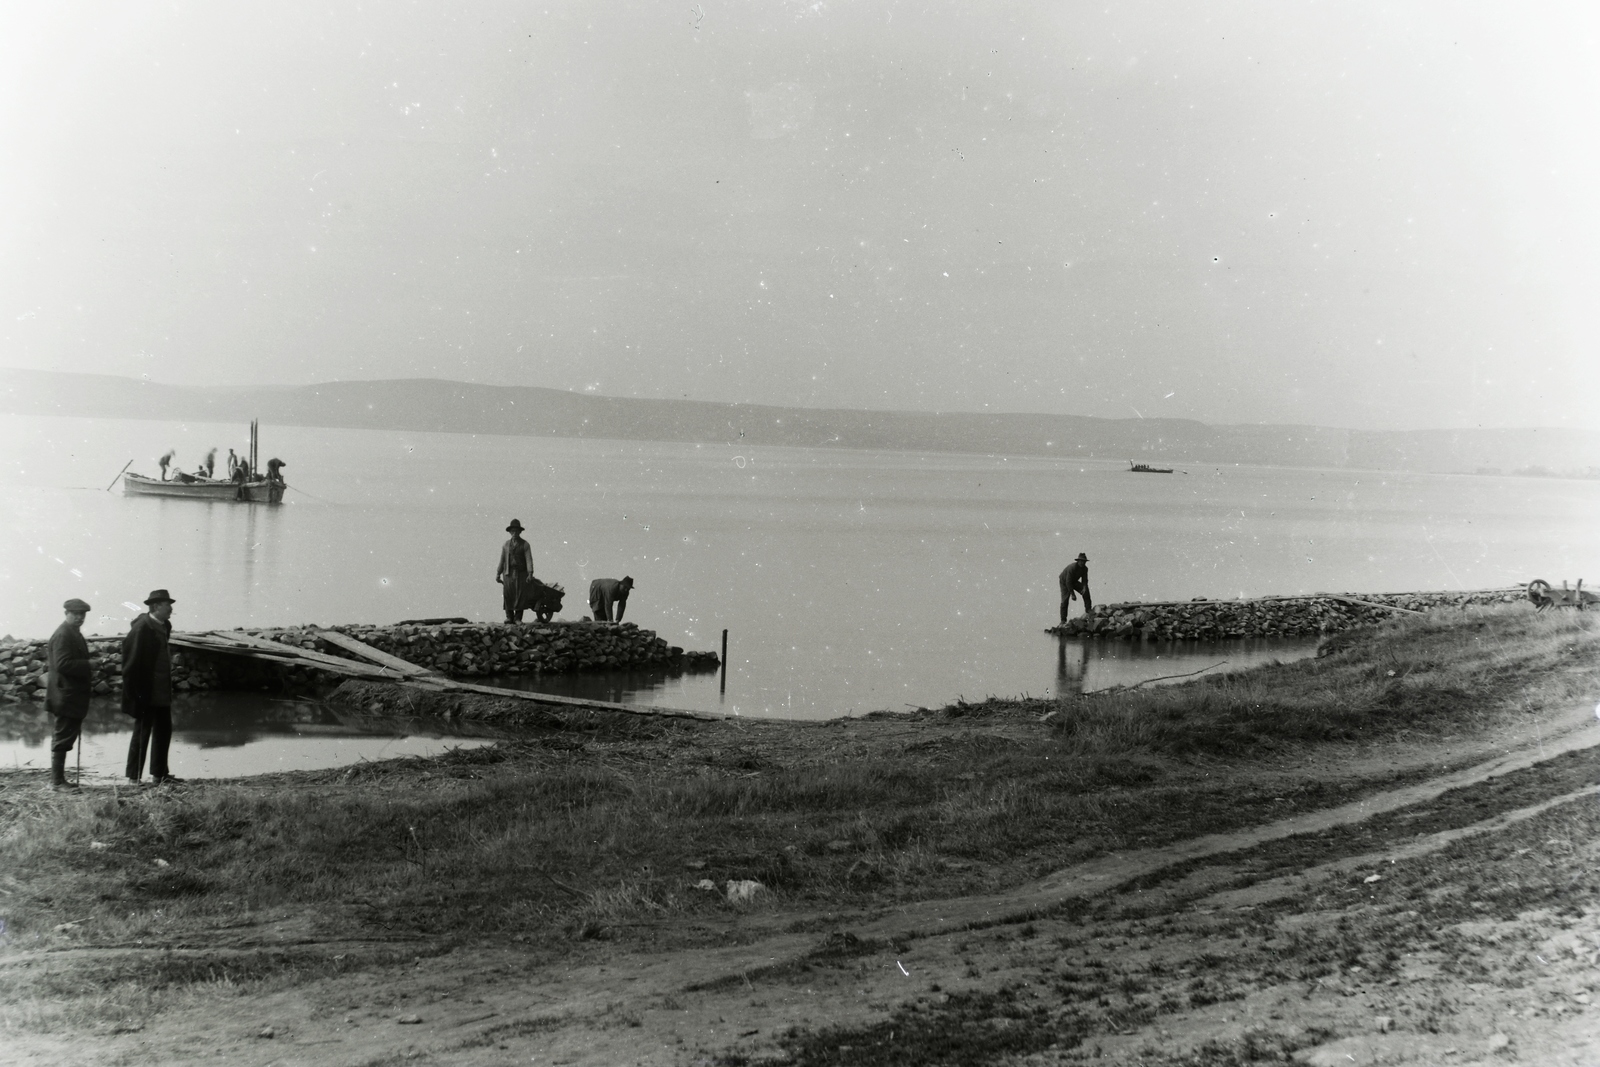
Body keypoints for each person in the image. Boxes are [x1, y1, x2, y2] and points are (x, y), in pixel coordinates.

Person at [123, 589, 181, 786]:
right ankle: (134, 778)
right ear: (156, 607)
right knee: (142, 732)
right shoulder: (141, 629)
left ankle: (160, 775)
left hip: (162, 692)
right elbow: (130, 665)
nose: (171, 609)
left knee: (164, 730)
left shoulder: (165, 625)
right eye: (167, 605)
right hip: (146, 693)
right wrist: (134, 695)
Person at [46, 598, 94, 792]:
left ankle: (59, 780)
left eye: (82, 614)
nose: (80, 618)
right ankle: (57, 782)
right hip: (65, 695)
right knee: (62, 737)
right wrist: (89, 665)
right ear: (66, 614)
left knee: (65, 736)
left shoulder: (72, 632)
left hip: (69, 695)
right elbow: (63, 664)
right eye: (75, 614)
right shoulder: (63, 634)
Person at [496, 520, 535, 624]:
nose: (514, 533)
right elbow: (502, 560)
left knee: (520, 595)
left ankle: (518, 618)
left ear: (520, 532)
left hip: (521, 573)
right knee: (508, 594)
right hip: (508, 573)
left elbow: (529, 559)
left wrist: (530, 573)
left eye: (516, 531)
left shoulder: (525, 544)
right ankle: (509, 617)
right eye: (513, 531)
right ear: (510, 532)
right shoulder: (505, 545)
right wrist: (498, 573)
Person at [1059, 553, 1092, 624]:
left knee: (1086, 591)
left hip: (1074, 581)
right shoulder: (1072, 568)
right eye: (1081, 561)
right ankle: (1063, 620)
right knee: (1065, 599)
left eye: (1084, 561)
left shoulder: (1085, 569)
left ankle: (1088, 611)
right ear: (1078, 561)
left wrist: (1084, 587)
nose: (1083, 563)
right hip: (1064, 582)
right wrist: (1072, 594)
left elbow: (1085, 580)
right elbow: (1068, 582)